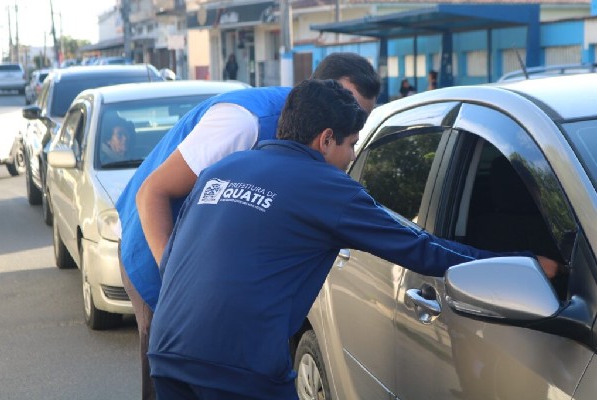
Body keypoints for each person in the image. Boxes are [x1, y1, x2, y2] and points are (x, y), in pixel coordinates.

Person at [147, 79, 559, 399]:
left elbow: (177, 255)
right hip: (238, 366)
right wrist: (517, 263)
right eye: (351, 145)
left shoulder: (224, 169)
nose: (352, 157)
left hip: (167, 352)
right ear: (325, 139)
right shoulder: (325, 187)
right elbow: (420, 248)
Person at [115, 52, 381, 400]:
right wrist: (177, 284)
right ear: (319, 90)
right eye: (348, 105)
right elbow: (152, 193)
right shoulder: (245, 123)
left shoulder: (319, 138)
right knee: (175, 364)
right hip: (154, 245)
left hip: (204, 259)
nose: (352, 122)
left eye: (362, 117)